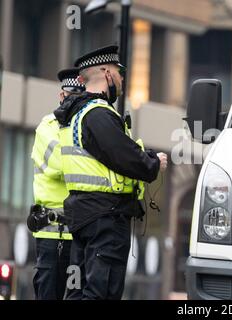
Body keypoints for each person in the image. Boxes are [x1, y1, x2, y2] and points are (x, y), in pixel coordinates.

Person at [54, 45, 167, 300]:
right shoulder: (98, 114)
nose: (122, 78)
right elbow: (122, 155)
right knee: (102, 291)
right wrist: (152, 164)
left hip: (85, 215)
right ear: (106, 74)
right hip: (105, 217)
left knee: (79, 291)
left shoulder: (76, 114)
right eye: (119, 72)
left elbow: (109, 153)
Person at [28, 68, 85, 300]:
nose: (73, 102)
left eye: (79, 97)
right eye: (70, 96)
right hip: (50, 236)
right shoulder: (47, 127)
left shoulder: (87, 125)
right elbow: (60, 165)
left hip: (80, 233)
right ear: (61, 96)